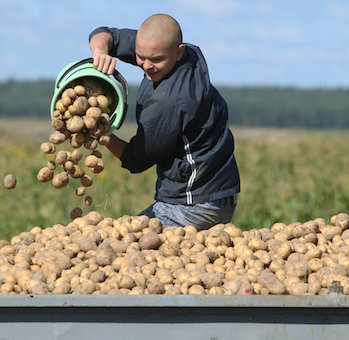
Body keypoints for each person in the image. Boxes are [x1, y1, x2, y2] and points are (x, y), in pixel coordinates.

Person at [88, 13, 240, 230]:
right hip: (221, 190)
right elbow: (107, 34)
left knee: (127, 242)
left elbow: (136, 159)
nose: (147, 66)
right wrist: (100, 51)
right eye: (140, 56)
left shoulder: (169, 103)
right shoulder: (186, 54)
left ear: (178, 52)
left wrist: (101, 134)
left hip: (196, 204)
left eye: (156, 59)